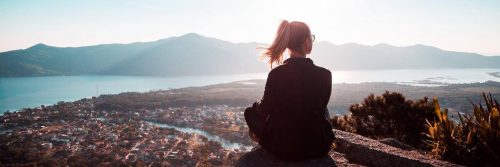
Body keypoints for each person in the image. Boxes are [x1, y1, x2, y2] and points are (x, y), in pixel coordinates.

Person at [244, 20, 336, 161]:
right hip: (318, 146)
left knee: (249, 113)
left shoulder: (277, 74)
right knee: (323, 108)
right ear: (306, 42)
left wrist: (255, 108)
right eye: (311, 38)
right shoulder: (325, 74)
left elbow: (264, 109)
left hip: (282, 147)